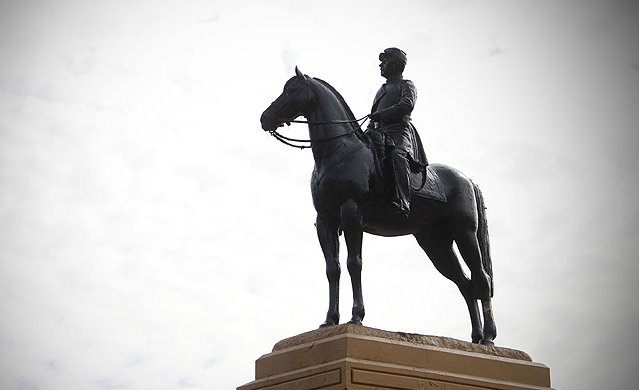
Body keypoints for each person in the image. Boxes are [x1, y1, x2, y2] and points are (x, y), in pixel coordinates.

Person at [366, 47, 428, 217]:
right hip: (379, 133)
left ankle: (403, 200)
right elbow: (374, 117)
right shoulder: (382, 89)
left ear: (395, 63)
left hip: (399, 131)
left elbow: (406, 105)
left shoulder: (407, 85)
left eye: (384, 61)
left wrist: (382, 115)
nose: (380, 65)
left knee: (396, 156)